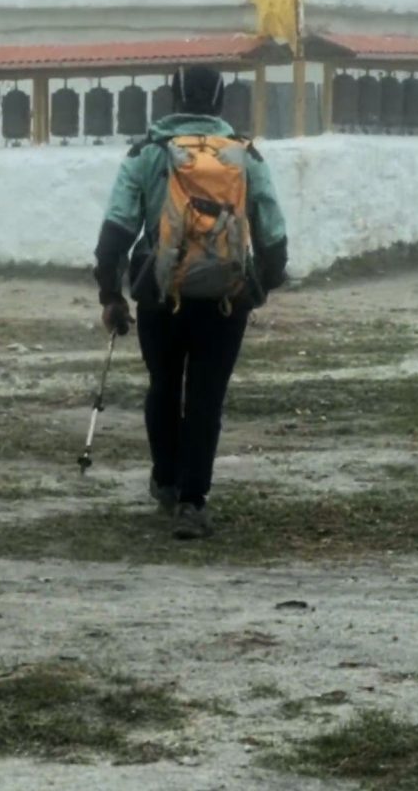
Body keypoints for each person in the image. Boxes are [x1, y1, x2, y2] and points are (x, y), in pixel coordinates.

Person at [91, 64, 289, 540]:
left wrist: (111, 295)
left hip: (161, 295)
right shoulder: (245, 156)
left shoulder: (149, 154)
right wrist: (255, 286)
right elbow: (275, 240)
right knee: (206, 398)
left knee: (163, 385)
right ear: (220, 103)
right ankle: (193, 502)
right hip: (225, 297)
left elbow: (115, 234)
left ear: (174, 100)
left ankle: (166, 478)